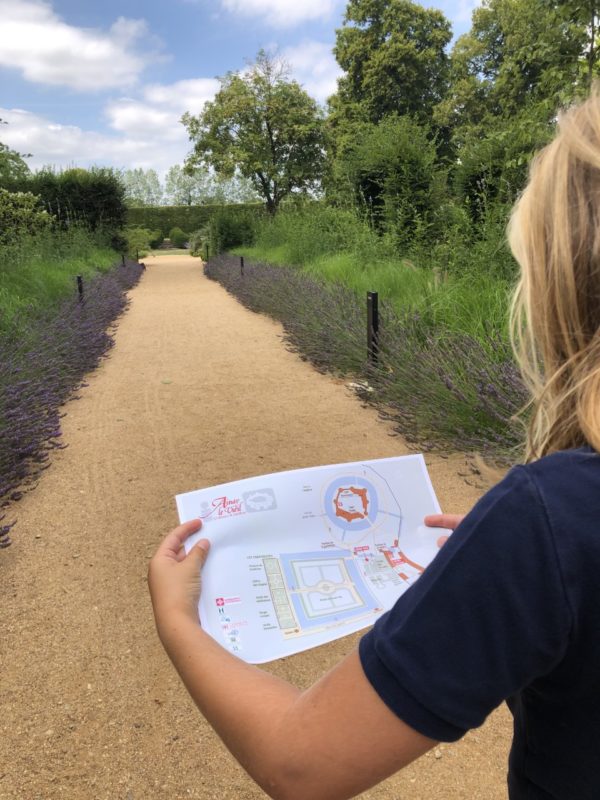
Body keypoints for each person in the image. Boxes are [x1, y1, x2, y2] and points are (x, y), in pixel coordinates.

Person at [148, 89, 600, 800]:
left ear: (566, 283)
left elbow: (301, 763)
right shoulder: (548, 522)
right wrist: (504, 564)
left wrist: (179, 621)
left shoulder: (554, 514)